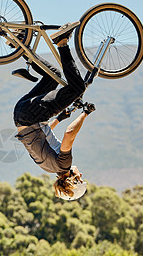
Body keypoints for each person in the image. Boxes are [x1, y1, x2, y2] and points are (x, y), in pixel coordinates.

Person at [13, 22, 95, 200]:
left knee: (77, 88)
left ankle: (61, 42)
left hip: (32, 116)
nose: (80, 174)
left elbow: (70, 133)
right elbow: (42, 135)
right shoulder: (48, 168)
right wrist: (60, 118)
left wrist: (85, 113)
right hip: (21, 115)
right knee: (53, 75)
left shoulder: (64, 165)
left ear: (74, 180)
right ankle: (19, 45)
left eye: (80, 178)